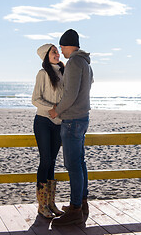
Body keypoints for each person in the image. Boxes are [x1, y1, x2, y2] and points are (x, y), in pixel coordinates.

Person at [48, 29, 93, 226]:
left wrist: (57, 110)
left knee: (73, 165)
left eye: (61, 46)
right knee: (80, 163)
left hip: (73, 120)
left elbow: (71, 94)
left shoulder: (74, 62)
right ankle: (81, 204)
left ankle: (75, 209)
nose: (60, 50)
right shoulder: (85, 63)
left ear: (68, 45)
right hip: (82, 118)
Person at [32, 43, 65, 219]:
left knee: (52, 161)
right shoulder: (43, 74)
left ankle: (51, 203)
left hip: (59, 123)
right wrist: (53, 107)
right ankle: (41, 205)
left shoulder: (64, 72)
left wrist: (60, 111)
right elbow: (35, 99)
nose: (57, 54)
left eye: (57, 51)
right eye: (53, 52)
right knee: (45, 160)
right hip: (43, 121)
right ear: (46, 55)